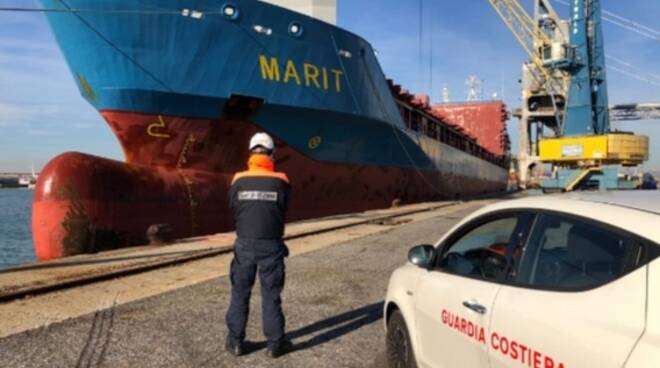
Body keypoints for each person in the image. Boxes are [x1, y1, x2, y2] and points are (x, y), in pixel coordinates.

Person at [225, 132, 292, 358]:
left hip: (244, 245)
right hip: (271, 246)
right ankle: (275, 345)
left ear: (251, 153)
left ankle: (235, 342)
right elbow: (283, 209)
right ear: (272, 154)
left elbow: (233, 206)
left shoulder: (237, 180)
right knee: (271, 295)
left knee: (239, 293)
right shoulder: (282, 181)